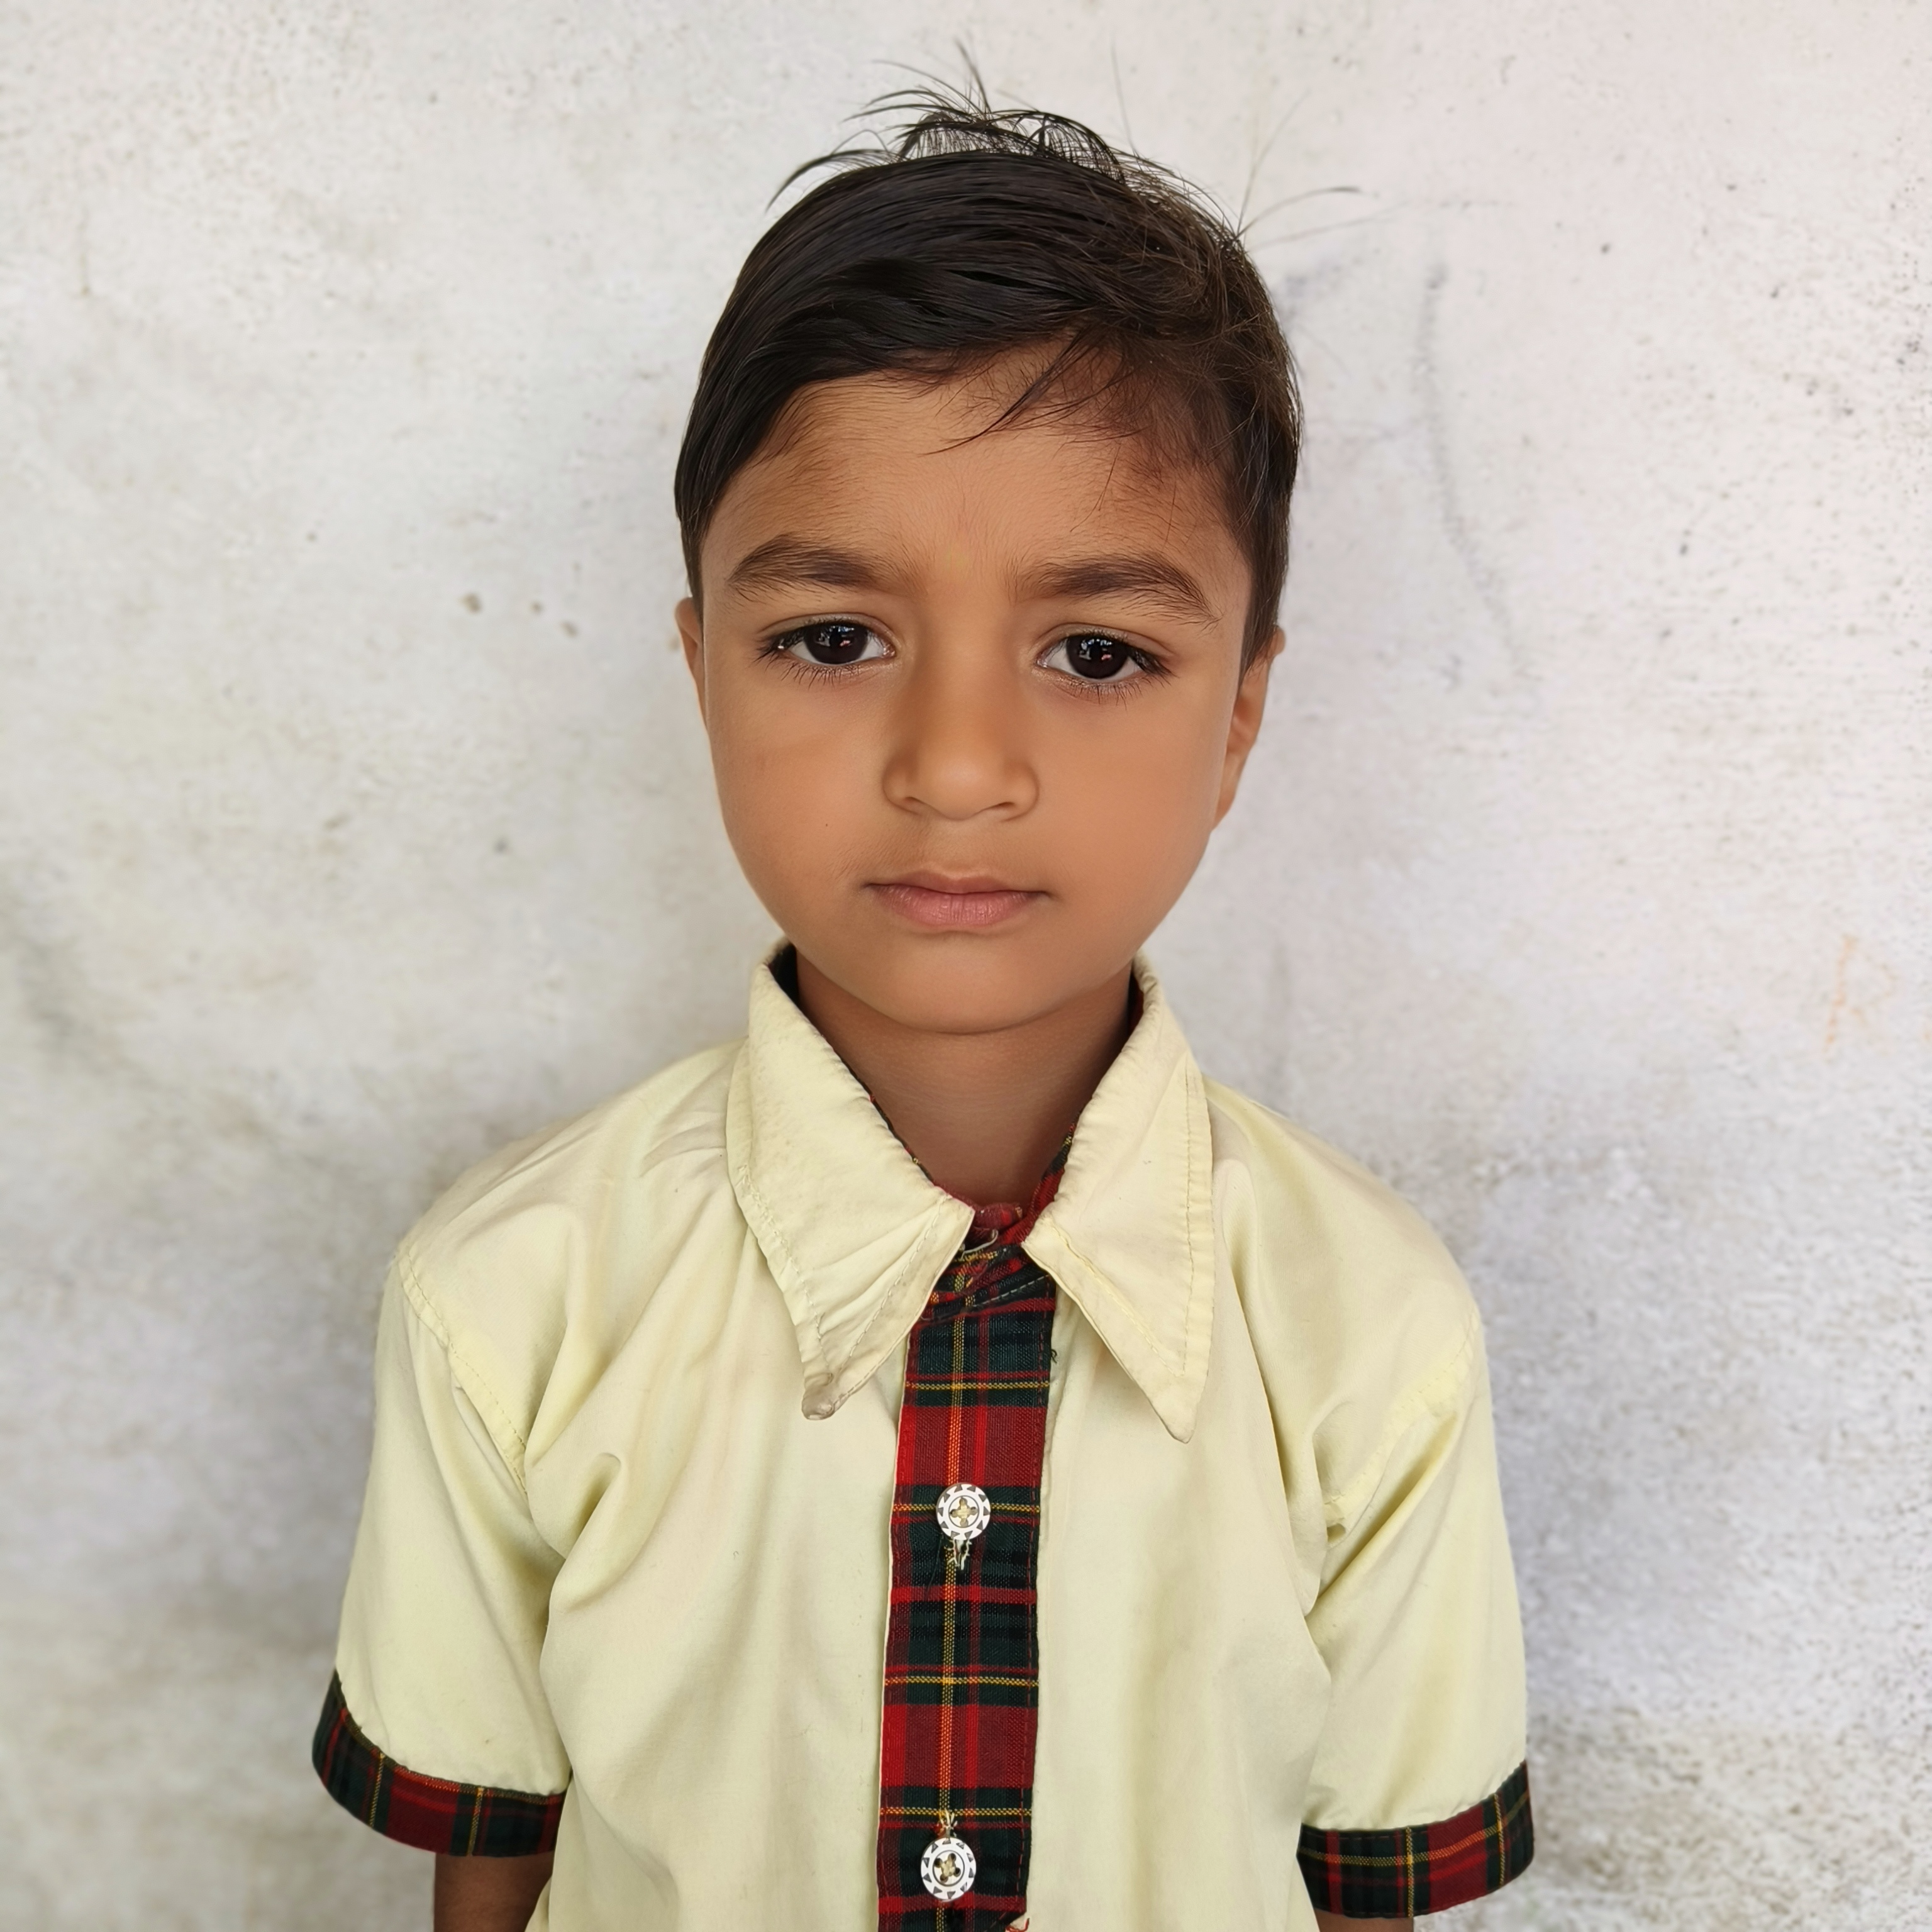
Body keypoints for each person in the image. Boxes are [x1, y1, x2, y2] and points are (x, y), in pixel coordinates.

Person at [313, 90, 1533, 1932]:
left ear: (1241, 715)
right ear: (702, 670)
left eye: (1097, 653)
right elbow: (493, 1861)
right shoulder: (511, 1300)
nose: (958, 769)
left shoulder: (1369, 1330)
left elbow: (1372, 1887)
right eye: (834, 639)